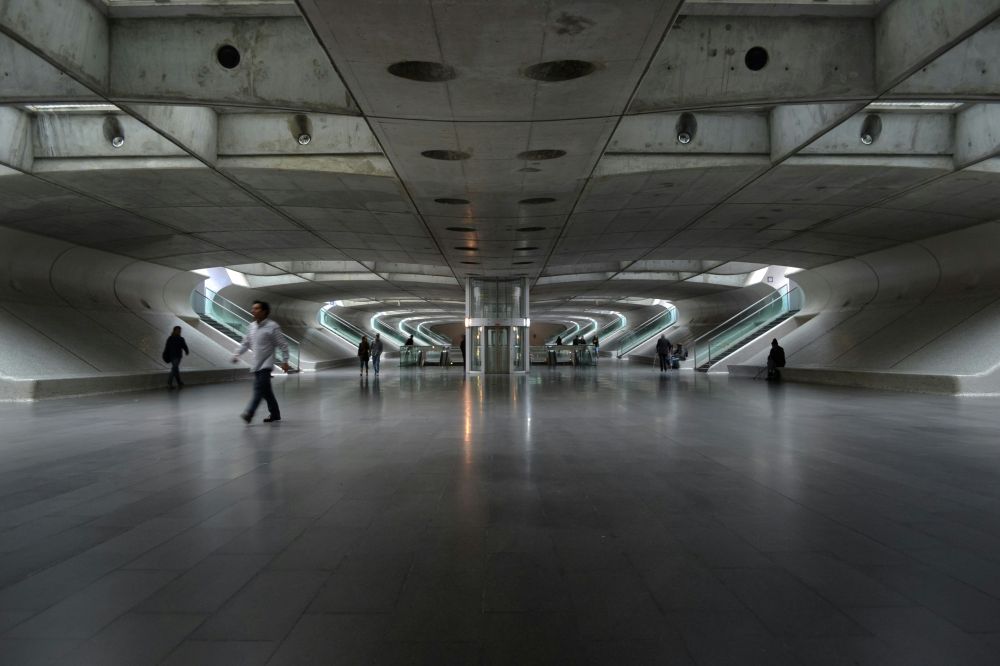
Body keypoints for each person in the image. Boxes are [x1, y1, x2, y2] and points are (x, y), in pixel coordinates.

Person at [232, 301, 289, 424]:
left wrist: (285, 361)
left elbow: (283, 344)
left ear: (264, 311)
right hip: (256, 364)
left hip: (266, 364)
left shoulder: (273, 326)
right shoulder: (251, 326)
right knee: (266, 391)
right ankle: (275, 414)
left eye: (256, 308)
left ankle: (250, 413)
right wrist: (237, 353)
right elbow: (246, 343)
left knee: (259, 389)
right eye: (253, 308)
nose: (253, 311)